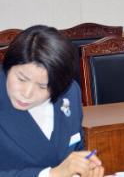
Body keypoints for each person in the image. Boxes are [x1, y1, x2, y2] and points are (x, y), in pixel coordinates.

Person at [0, 25, 104, 177]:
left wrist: (83, 167)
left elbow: (75, 146)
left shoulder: (70, 92)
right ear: (7, 67)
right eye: (21, 79)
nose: (27, 93)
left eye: (43, 86)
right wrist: (50, 174)